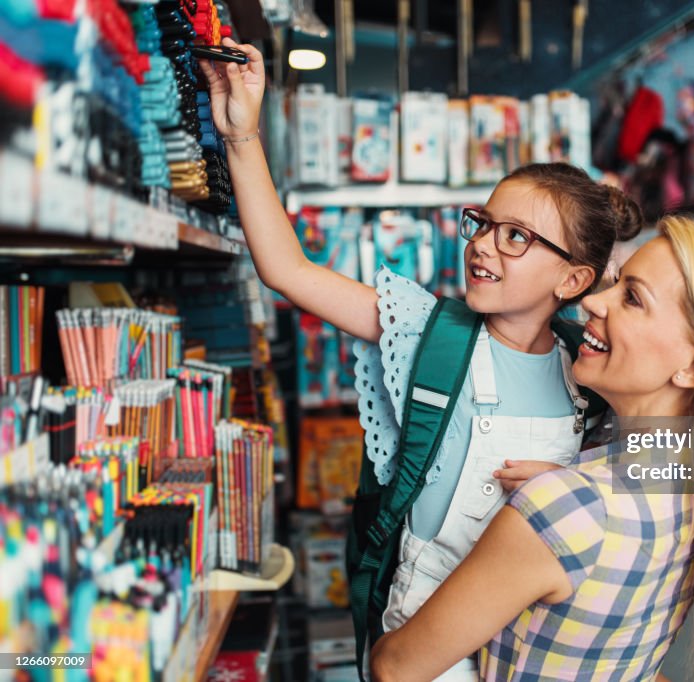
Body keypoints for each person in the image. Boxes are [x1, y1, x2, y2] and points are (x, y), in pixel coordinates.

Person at [197, 40, 643, 680]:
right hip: (421, 627)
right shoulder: (429, 333)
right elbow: (288, 270)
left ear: (572, 281)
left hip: (527, 635)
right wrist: (242, 137)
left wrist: (572, 487)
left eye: (516, 237)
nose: (484, 245)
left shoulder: (590, 372)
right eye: (483, 223)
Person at [370, 216, 694, 682]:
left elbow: (395, 668)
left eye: (632, 298)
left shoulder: (567, 507)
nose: (591, 302)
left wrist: (554, 504)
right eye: (617, 281)